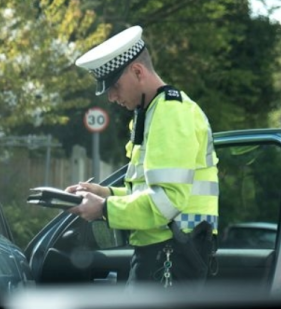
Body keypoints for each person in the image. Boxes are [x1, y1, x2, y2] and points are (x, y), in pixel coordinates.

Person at [66, 25, 219, 290]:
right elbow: (148, 191)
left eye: (114, 86)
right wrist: (106, 193)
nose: (112, 97)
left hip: (171, 253)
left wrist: (104, 209)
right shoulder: (155, 112)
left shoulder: (169, 114)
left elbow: (167, 202)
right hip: (167, 252)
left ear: (137, 71)